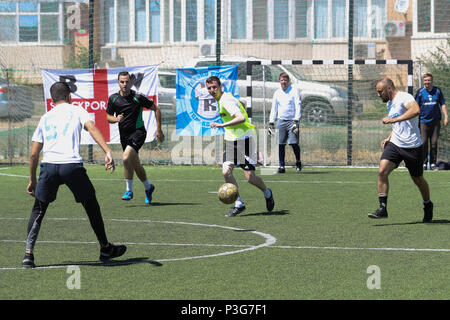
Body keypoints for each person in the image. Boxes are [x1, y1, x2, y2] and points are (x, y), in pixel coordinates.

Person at [22, 82, 126, 269]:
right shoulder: (77, 110)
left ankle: (28, 255)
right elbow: (92, 127)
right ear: (70, 97)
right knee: (90, 203)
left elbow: (33, 153)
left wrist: (32, 179)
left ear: (52, 100)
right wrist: (107, 151)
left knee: (38, 209)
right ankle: (105, 248)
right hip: (71, 166)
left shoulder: (45, 117)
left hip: (50, 166)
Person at [207, 76, 274, 217]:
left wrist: (221, 125)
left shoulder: (226, 100)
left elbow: (241, 118)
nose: (212, 90)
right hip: (231, 141)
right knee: (226, 171)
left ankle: (267, 193)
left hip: (244, 141)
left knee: (250, 178)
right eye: (209, 88)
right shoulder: (221, 100)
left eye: (214, 87)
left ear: (220, 87)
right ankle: (238, 204)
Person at [369, 77, 433, 222]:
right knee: (382, 171)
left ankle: (427, 205)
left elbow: (416, 110)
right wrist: (389, 136)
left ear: (389, 88)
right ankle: (382, 208)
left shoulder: (404, 97)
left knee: (418, 179)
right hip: (396, 145)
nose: (379, 95)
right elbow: (398, 125)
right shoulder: (390, 104)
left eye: (380, 92)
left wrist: (393, 120)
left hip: (412, 147)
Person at [106, 71, 164, 204]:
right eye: (122, 81)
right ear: (118, 82)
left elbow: (157, 108)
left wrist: (158, 129)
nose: (125, 84)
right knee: (135, 165)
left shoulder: (138, 97)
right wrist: (116, 119)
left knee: (126, 157)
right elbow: (108, 117)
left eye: (127, 81)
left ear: (131, 82)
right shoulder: (113, 98)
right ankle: (148, 187)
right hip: (124, 136)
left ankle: (129, 190)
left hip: (138, 133)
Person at [269, 72, 302, 173]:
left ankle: (298, 162)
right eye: (282, 80)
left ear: (289, 81)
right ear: (279, 81)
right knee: (280, 144)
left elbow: (298, 105)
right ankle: (282, 166)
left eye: (285, 80)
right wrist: (271, 122)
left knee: (293, 143)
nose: (283, 82)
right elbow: (274, 108)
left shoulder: (294, 91)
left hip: (292, 121)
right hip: (281, 121)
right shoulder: (277, 93)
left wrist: (296, 121)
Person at [414, 73, 448, 171]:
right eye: (425, 80)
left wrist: (446, 116)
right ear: (423, 81)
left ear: (432, 81)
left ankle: (433, 163)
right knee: (423, 142)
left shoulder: (437, 91)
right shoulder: (420, 92)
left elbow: (443, 104)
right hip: (423, 121)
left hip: (435, 122)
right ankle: (423, 163)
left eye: (429, 80)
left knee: (434, 143)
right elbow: (415, 106)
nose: (427, 82)